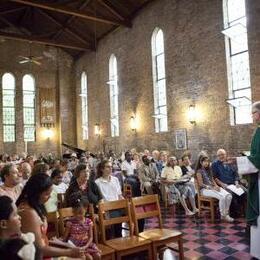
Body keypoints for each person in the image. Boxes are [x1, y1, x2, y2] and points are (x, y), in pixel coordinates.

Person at [16, 173, 83, 258]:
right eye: (47, 194)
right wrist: (69, 252)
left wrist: (64, 244)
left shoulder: (33, 205)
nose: (49, 197)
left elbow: (41, 239)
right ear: (36, 193)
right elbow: (38, 249)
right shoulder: (28, 213)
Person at [195, 155, 234, 222]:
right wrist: (211, 188)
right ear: (201, 162)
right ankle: (223, 215)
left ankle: (226, 214)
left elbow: (212, 180)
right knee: (222, 197)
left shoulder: (209, 170)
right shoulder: (199, 171)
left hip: (212, 187)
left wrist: (216, 186)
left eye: (207, 161)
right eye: (204, 161)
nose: (206, 163)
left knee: (229, 196)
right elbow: (201, 184)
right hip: (204, 190)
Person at [62, 196, 101, 260]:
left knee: (98, 256)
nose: (77, 215)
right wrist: (58, 241)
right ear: (73, 211)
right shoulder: (70, 222)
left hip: (87, 244)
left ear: (85, 209)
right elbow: (64, 237)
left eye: (80, 213)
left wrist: (86, 246)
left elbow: (91, 237)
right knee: (89, 258)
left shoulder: (88, 222)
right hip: (76, 246)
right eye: (75, 213)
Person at [212, 149, 246, 218]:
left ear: (226, 154)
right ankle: (235, 213)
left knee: (245, 191)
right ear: (217, 156)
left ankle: (245, 211)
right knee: (231, 194)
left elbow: (236, 174)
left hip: (233, 184)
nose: (221, 156)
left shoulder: (230, 162)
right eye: (219, 155)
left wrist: (236, 182)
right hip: (224, 185)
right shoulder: (215, 164)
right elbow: (214, 177)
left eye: (223, 154)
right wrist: (222, 184)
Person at [95, 160, 124, 237]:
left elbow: (119, 195)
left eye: (111, 167)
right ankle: (115, 237)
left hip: (118, 206)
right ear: (102, 169)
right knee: (116, 215)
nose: (110, 168)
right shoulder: (97, 182)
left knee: (137, 215)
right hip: (106, 209)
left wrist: (127, 204)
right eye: (108, 167)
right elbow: (99, 201)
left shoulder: (115, 179)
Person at [247, 101, 260, 259]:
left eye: (253, 112)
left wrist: (238, 162)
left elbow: (257, 159)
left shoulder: (259, 132)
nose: (252, 116)